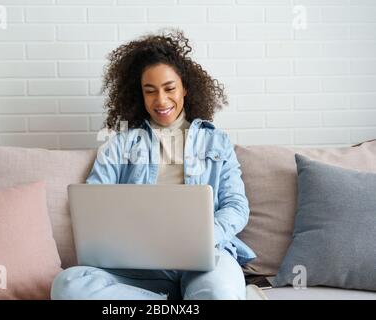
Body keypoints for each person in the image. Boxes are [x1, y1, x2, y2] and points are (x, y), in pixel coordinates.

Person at [51, 29, 256, 300]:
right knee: (68, 285)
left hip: (205, 260)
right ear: (140, 95)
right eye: (150, 91)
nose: (161, 100)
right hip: (135, 265)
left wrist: (204, 238)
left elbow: (236, 206)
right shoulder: (120, 144)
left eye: (169, 88)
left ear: (185, 87)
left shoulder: (216, 142)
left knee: (220, 292)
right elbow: (94, 202)